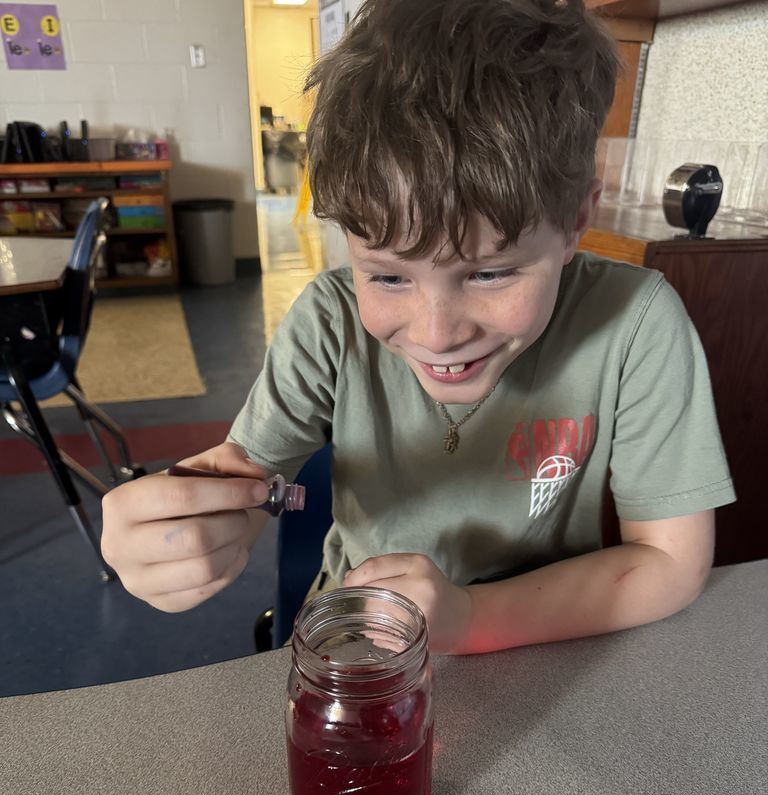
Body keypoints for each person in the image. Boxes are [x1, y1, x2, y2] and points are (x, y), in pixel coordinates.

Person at [101, 0, 735, 654]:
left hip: (545, 644)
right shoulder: (327, 323)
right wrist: (178, 526)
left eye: (490, 274)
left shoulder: (637, 323)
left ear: (576, 221)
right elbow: (238, 478)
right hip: (362, 649)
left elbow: (671, 560)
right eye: (387, 277)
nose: (436, 336)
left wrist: (466, 617)